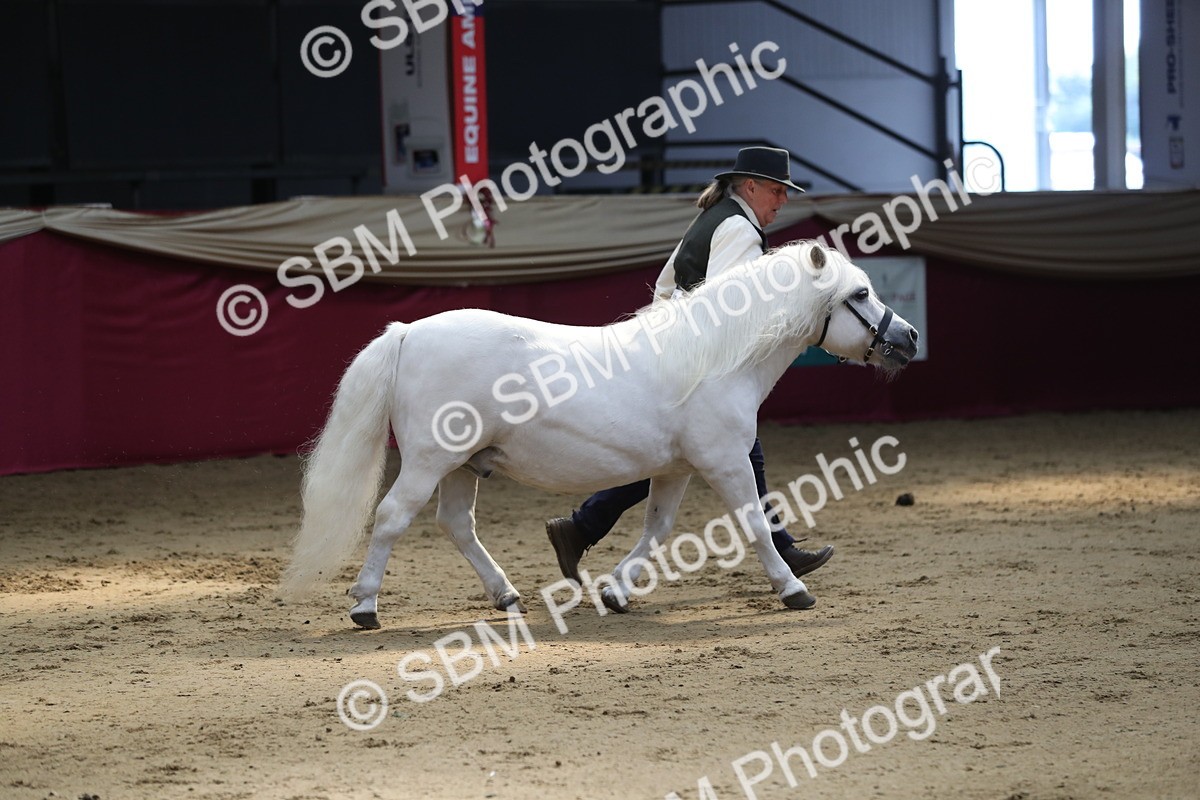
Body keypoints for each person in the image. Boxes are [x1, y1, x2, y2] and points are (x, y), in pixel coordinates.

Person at [546, 146, 834, 584]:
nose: (783, 200)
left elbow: (665, 284)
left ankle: (584, 526)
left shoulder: (713, 218)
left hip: (676, 351)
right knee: (714, 451)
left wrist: (662, 332)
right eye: (777, 190)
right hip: (699, 363)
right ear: (751, 186)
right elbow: (728, 305)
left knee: (688, 453)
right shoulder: (740, 229)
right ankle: (781, 551)